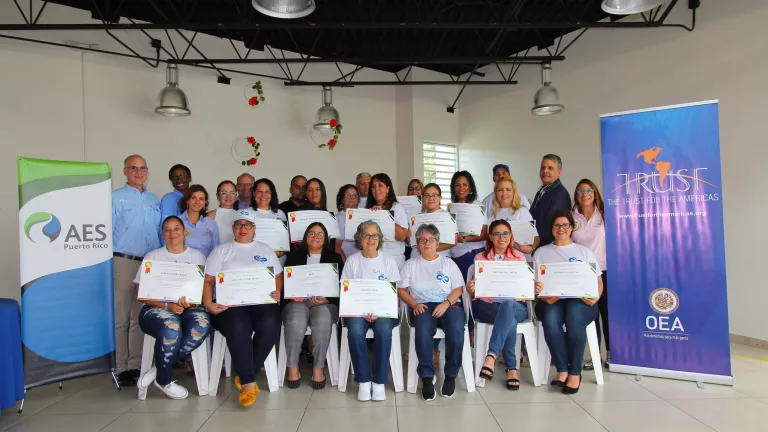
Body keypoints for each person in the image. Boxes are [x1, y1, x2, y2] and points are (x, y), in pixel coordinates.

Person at [202, 209, 283, 407]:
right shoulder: (221, 250)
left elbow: (278, 277)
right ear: (233, 228)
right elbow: (208, 280)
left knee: (272, 324)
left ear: (254, 228)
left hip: (260, 302)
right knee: (239, 327)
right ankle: (248, 383)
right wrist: (207, 303)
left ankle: (247, 371)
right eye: (239, 225)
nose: (243, 228)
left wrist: (277, 291)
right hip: (230, 305)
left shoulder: (264, 249)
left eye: (247, 225)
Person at [135, 216, 211, 399]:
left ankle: (158, 370)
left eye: (176, 228)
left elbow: (202, 289)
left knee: (201, 324)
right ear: (162, 234)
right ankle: (165, 380)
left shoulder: (197, 256)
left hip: (190, 308)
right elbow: (141, 293)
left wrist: (190, 302)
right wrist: (167, 306)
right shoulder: (152, 257)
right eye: (167, 230)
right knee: (172, 326)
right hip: (156, 309)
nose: (172, 233)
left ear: (185, 232)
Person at [465, 220, 543, 390]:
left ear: (511, 236)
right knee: (509, 318)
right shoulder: (481, 258)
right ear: (490, 237)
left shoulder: (520, 258)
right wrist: (471, 289)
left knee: (508, 306)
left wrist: (534, 288)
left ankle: (491, 356)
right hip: (488, 306)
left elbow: (526, 290)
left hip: (517, 306)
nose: (501, 237)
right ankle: (511, 368)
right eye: (497, 234)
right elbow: (476, 291)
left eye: (505, 233)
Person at [535, 210, 604, 395]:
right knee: (550, 317)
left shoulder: (584, 252)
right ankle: (562, 370)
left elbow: (598, 281)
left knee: (574, 316)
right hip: (551, 300)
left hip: (581, 301)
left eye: (565, 225)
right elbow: (535, 284)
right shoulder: (541, 253)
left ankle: (575, 372)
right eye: (557, 225)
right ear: (551, 229)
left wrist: (595, 297)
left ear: (572, 228)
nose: (561, 229)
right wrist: (541, 294)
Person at [398, 224, 465, 401]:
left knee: (457, 330)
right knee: (422, 332)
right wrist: (413, 304)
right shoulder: (411, 264)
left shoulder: (448, 263)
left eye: (431, 239)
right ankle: (427, 377)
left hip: (448, 303)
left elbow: (458, 289)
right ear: (417, 244)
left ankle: (451, 375)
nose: (427, 243)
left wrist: (446, 303)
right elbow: (402, 289)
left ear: (437, 243)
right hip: (422, 305)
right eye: (422, 240)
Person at [112, 154, 161, 386]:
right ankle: (121, 367)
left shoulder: (153, 199)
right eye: (133, 168)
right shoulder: (114, 199)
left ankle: (136, 364)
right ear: (125, 171)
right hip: (123, 261)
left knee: (139, 315)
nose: (139, 172)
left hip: (148, 264)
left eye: (143, 168)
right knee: (122, 316)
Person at [341, 221, 400, 402]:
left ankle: (379, 382)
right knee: (356, 330)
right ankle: (364, 381)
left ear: (380, 239)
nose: (370, 239)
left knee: (383, 330)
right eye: (366, 235)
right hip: (357, 312)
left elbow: (393, 292)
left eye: (375, 235)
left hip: (383, 312)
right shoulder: (352, 261)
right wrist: (362, 310)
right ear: (360, 238)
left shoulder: (388, 260)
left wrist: (378, 310)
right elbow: (347, 291)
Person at [282, 222, 344, 389]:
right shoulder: (294, 257)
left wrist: (327, 298)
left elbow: (341, 287)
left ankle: (318, 368)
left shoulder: (335, 259)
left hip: (324, 303)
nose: (315, 237)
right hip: (298, 302)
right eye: (311, 233)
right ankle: (292, 367)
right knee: (295, 319)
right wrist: (292, 296)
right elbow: (286, 285)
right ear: (305, 237)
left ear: (325, 239)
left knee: (323, 317)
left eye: (320, 234)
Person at [571, 179, 609, 370]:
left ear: (595, 193)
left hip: (604, 270)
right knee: (591, 315)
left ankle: (611, 354)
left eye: (588, 190)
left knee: (607, 313)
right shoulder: (572, 217)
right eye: (580, 191)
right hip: (582, 274)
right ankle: (595, 356)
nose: (585, 194)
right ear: (576, 195)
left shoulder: (604, 214)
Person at [366, 173, 411, 271]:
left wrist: (383, 215)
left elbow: (402, 236)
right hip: (373, 259)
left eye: (380, 185)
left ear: (388, 189)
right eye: (373, 187)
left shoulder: (397, 208)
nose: (376, 189)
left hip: (394, 260)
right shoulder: (368, 210)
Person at [448, 171, 488, 281]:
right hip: (455, 254)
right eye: (457, 185)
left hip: (472, 254)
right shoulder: (451, 207)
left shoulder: (478, 206)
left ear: (470, 187)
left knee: (472, 291)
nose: (461, 188)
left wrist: (463, 239)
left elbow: (484, 234)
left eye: (464, 184)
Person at [488, 176, 540, 258]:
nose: (504, 193)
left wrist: (531, 248)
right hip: (499, 262)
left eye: (508, 189)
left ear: (514, 192)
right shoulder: (492, 214)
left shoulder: (522, 211)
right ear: (496, 193)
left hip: (520, 260)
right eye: (500, 190)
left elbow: (535, 238)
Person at [530, 154, 571, 247]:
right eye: (543, 167)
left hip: (548, 250)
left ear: (559, 172)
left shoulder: (559, 194)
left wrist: (533, 245)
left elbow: (551, 227)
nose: (545, 171)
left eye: (550, 168)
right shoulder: (543, 190)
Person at [410, 183, 456, 259]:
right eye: (427, 195)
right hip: (417, 258)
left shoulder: (448, 217)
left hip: (440, 259)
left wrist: (428, 249)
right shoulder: (417, 218)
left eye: (434, 195)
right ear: (423, 198)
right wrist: (409, 235)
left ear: (440, 198)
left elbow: (453, 241)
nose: (430, 198)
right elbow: (412, 241)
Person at [251, 178, 288, 264]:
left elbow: (285, 241)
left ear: (272, 194)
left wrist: (281, 252)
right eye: (259, 191)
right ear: (253, 193)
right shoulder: (245, 214)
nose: (263, 195)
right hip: (253, 262)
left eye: (267, 191)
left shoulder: (280, 214)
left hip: (278, 263)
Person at [176, 184, 219, 257]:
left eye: (201, 199)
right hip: (182, 265)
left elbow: (215, 251)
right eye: (193, 198)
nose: (197, 202)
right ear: (187, 200)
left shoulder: (211, 224)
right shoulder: (177, 222)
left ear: (205, 202)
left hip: (205, 265)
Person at [335, 184, 359, 261]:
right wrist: (345, 264)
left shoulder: (364, 215)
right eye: (348, 195)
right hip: (344, 260)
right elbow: (337, 246)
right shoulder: (336, 218)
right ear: (342, 199)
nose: (352, 198)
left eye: (355, 195)